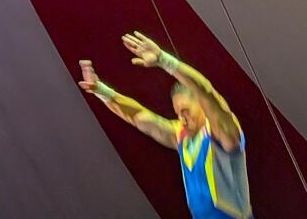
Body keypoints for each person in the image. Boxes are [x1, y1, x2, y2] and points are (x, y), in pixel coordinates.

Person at [79, 32, 252, 219]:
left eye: (185, 110)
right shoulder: (181, 136)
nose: (182, 119)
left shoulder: (223, 133)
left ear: (202, 106)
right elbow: (137, 116)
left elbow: (206, 92)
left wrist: (164, 60)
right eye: (177, 113)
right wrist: (102, 92)